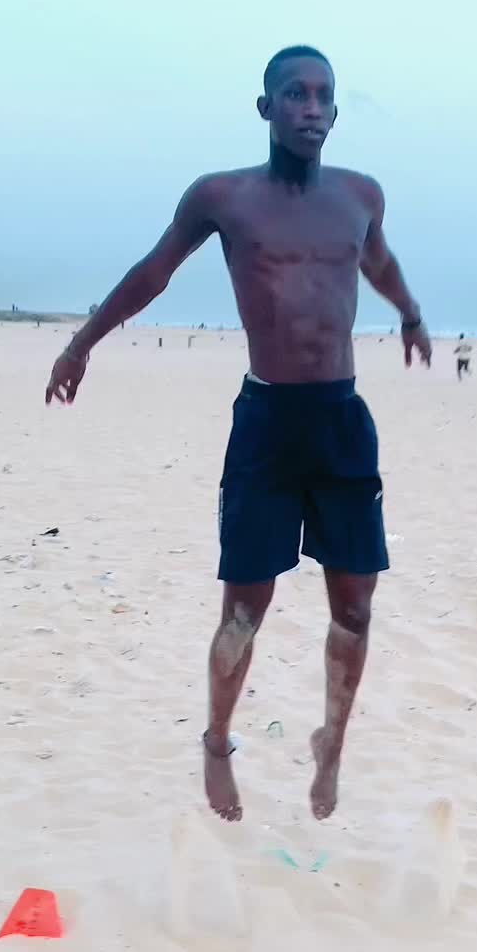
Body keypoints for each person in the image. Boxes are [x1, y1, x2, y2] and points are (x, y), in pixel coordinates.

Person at [45, 45, 431, 823]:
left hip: (342, 422)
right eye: (295, 94)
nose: (311, 108)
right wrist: (82, 343)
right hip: (267, 426)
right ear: (266, 107)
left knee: (355, 610)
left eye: (323, 96)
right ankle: (217, 741)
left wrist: (412, 314)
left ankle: (332, 741)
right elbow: (153, 272)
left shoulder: (360, 195)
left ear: (336, 111)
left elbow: (380, 263)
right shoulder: (223, 197)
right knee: (244, 613)